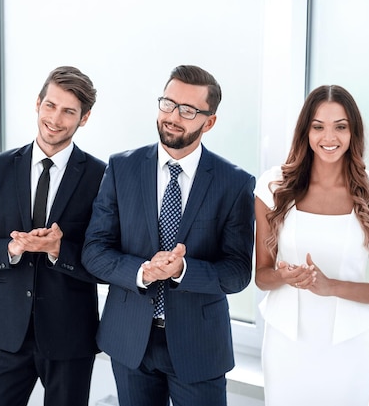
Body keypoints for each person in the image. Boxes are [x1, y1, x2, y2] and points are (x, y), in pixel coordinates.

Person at [82, 65, 255, 406]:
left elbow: (236, 272)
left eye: (188, 110)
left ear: (209, 121)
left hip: (199, 345)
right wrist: (142, 272)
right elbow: (94, 251)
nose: (174, 117)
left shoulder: (234, 184)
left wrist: (182, 270)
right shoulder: (121, 169)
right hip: (130, 340)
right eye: (168, 104)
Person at [0, 66, 106, 406]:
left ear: (84, 118)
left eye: (69, 111)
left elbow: (104, 264)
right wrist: (10, 248)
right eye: (50, 105)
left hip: (71, 337)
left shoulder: (100, 176)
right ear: (38, 103)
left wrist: (58, 250)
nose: (55, 118)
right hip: (10, 334)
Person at [254, 85, 369, 405]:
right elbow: (262, 276)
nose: (329, 137)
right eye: (318, 126)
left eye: (340, 126)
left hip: (350, 345)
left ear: (353, 132)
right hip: (286, 344)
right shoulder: (273, 186)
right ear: (305, 131)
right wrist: (285, 276)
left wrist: (330, 286)